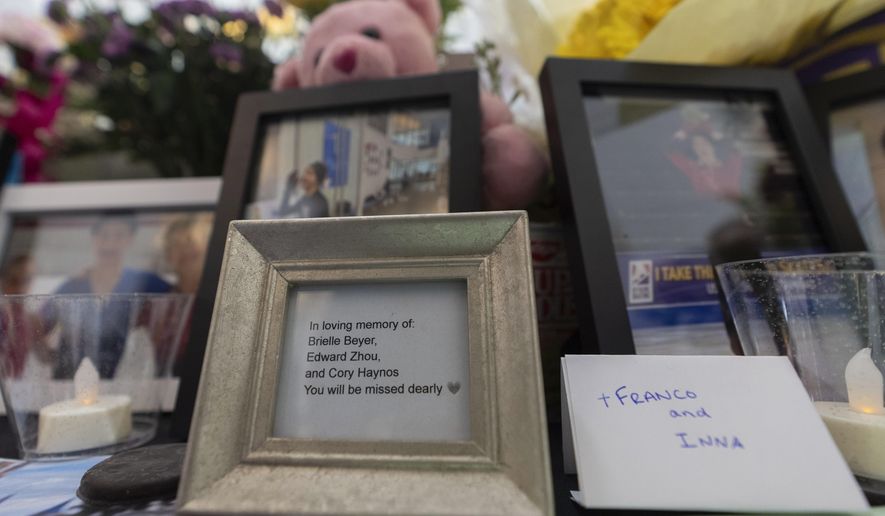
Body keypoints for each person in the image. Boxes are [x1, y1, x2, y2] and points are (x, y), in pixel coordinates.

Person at [47, 213, 171, 378]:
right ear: (94, 238)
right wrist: (54, 358)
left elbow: (180, 307)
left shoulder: (144, 282)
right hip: (69, 385)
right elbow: (36, 326)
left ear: (130, 240)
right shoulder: (72, 286)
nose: (110, 242)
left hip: (119, 386)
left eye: (119, 235)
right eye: (104, 235)